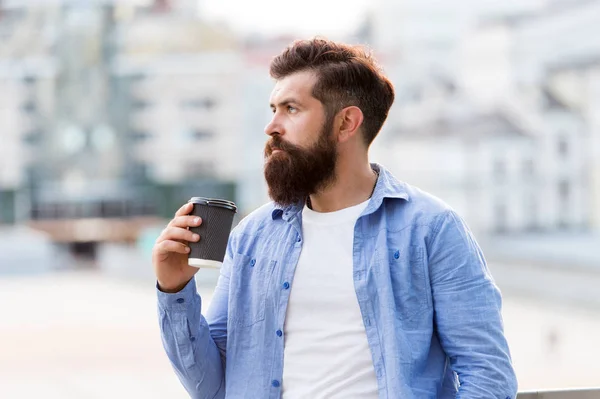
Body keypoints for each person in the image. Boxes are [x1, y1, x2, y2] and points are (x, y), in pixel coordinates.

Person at [153, 38, 518, 398]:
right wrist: (173, 288)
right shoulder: (252, 237)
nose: (272, 126)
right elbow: (213, 386)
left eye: (291, 109)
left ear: (346, 124)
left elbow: (488, 375)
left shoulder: (431, 229)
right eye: (273, 109)